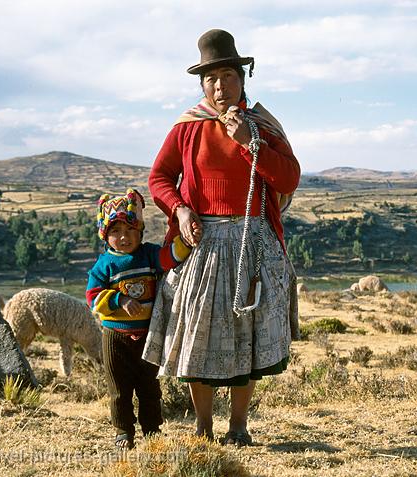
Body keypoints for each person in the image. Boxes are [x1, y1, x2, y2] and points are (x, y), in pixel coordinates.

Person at [142, 29, 300, 447]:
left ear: (242, 78)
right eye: (211, 78)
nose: (219, 85)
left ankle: (239, 426)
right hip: (203, 243)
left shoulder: (262, 126)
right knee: (199, 333)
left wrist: (250, 144)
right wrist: (178, 208)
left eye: (227, 75)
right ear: (202, 84)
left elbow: (288, 177)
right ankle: (203, 426)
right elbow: (159, 178)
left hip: (253, 240)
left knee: (247, 333)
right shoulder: (187, 128)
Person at [86, 188, 193, 449]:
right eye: (115, 231)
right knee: (119, 390)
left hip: (148, 337)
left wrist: (187, 241)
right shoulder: (104, 266)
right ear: (105, 235)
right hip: (115, 338)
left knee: (149, 388)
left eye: (130, 230)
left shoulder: (147, 254)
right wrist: (120, 300)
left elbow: (169, 258)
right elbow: (92, 297)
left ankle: (152, 430)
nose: (124, 237)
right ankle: (123, 431)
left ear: (140, 230)